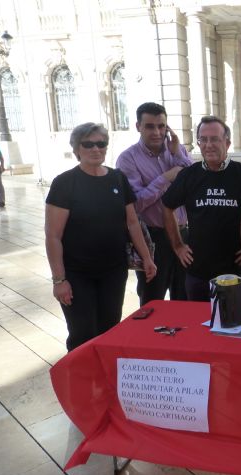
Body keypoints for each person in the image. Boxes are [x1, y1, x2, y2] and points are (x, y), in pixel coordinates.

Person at [45, 123, 156, 351]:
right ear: (77, 149)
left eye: (101, 143)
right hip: (77, 274)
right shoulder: (65, 183)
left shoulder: (117, 179)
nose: (96, 149)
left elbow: (132, 222)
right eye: (88, 144)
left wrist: (147, 257)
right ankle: (80, 381)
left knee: (109, 328)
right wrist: (59, 280)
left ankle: (103, 381)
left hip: (113, 272)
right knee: (82, 333)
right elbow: (53, 236)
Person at [161, 116, 241, 301]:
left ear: (227, 143)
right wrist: (178, 245)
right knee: (196, 324)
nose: (208, 145)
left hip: (232, 270)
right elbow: (167, 206)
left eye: (215, 139)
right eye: (203, 139)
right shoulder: (189, 175)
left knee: (230, 324)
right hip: (197, 270)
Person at [116, 102, 192, 305]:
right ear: (138, 126)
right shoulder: (127, 159)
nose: (157, 132)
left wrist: (178, 155)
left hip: (184, 234)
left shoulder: (177, 150)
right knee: (152, 300)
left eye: (161, 126)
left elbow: (194, 183)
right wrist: (165, 177)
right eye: (150, 126)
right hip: (152, 238)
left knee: (185, 298)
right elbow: (137, 204)